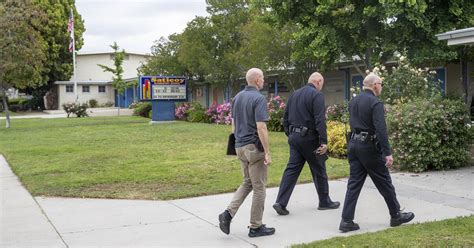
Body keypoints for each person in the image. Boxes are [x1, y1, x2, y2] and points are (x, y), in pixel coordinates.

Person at [339, 73, 414, 232]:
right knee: (384, 181)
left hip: (353, 144)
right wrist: (387, 152)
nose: (381, 87)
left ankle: (346, 221)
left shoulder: (353, 101)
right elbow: (381, 129)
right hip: (368, 148)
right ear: (374, 85)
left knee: (353, 184)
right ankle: (396, 215)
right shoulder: (375, 103)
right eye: (381, 84)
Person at [218, 68, 275, 238]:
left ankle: (227, 214)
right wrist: (267, 152)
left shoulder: (237, 98)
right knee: (259, 187)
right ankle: (256, 227)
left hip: (239, 146)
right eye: (263, 78)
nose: (264, 80)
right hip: (253, 148)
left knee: (247, 182)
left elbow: (234, 124)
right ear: (257, 80)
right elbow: (261, 126)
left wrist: (238, 141)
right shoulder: (258, 98)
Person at [273, 72, 340, 216]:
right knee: (319, 169)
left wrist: (290, 134)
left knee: (291, 170)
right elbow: (320, 120)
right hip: (310, 139)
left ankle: (280, 202)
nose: (321, 86)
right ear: (318, 81)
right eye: (322, 83)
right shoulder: (316, 95)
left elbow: (285, 118)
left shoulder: (294, 94)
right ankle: (324, 201)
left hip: (294, 138)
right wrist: (323, 141)